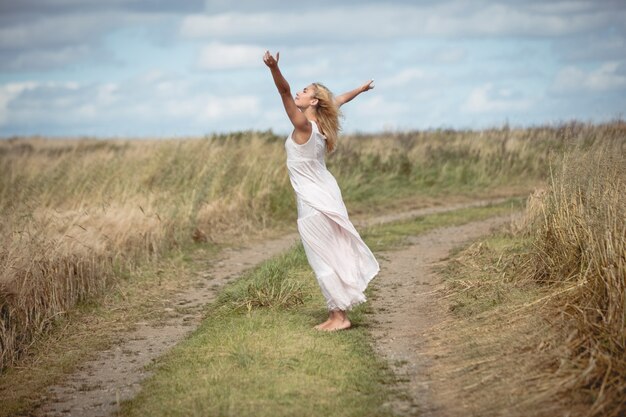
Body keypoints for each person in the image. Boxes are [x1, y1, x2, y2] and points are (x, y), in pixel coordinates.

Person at [263, 50, 379, 331]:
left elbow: (284, 91)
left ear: (313, 101)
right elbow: (337, 101)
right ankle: (335, 313)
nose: (299, 94)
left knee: (321, 256)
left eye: (305, 91)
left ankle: (339, 317)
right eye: (301, 91)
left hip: (313, 200)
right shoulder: (321, 126)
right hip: (324, 193)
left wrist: (274, 69)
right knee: (328, 252)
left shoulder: (303, 126)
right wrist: (360, 90)